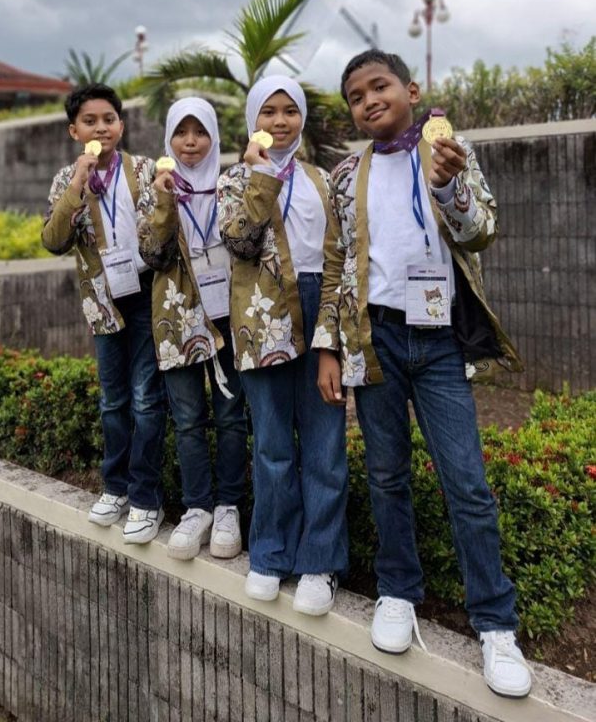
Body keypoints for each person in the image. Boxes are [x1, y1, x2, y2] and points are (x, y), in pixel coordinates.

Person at [314, 50, 531, 698]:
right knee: (386, 475)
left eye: (379, 86)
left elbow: (481, 232)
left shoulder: (447, 149)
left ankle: (495, 623)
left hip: (436, 341)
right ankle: (397, 591)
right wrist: (328, 347)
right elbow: (335, 263)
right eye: (356, 96)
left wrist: (446, 187)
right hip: (374, 336)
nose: (368, 101)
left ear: (410, 90)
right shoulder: (346, 175)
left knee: (466, 482)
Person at [217, 76, 348, 615]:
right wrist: (262, 176)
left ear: (302, 119)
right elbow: (239, 240)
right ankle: (270, 552)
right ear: (253, 119)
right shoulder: (234, 179)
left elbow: (341, 260)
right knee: (271, 444)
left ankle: (321, 560)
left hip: (319, 305)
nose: (279, 121)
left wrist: (332, 336)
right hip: (260, 313)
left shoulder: (324, 180)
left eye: (289, 111)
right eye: (268, 111)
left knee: (324, 442)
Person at [42, 83, 166, 544]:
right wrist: (78, 183)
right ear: (74, 131)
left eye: (108, 119)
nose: (101, 128)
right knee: (113, 401)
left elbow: (160, 233)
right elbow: (54, 240)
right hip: (103, 301)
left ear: (121, 125)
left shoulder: (145, 170)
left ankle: (146, 497)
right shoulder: (66, 179)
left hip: (147, 296)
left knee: (146, 399)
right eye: (90, 121)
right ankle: (115, 488)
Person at [137, 97, 247, 561]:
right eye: (181, 133)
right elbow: (153, 254)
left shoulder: (230, 185)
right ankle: (197, 506)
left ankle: (229, 507)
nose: (190, 142)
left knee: (231, 414)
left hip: (229, 313)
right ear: (168, 139)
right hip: (177, 315)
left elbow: (248, 242)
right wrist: (165, 200)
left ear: (213, 137)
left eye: (200, 132)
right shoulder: (154, 190)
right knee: (186, 418)